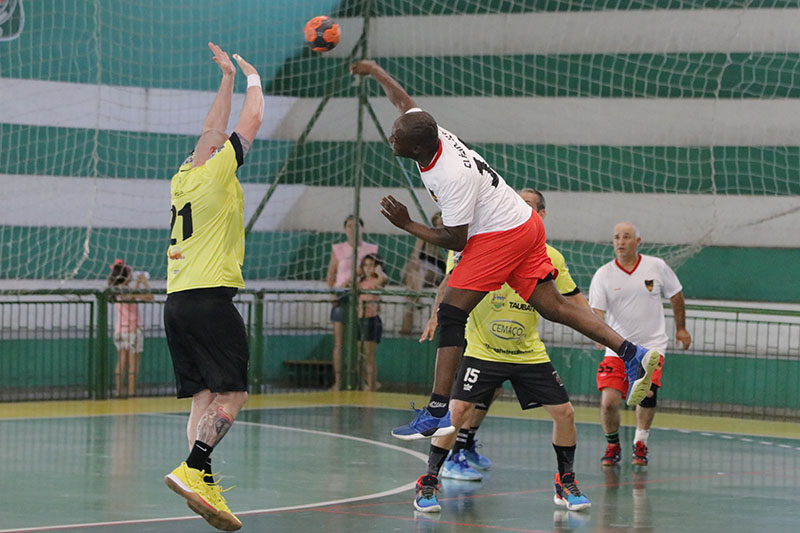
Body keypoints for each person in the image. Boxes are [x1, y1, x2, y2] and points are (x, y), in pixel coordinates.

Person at [350, 58, 661, 441]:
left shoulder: (451, 176)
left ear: (415, 147)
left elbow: (456, 240)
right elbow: (402, 102)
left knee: (451, 313)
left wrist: (407, 223)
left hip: (501, 234)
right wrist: (375, 71)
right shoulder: (429, 131)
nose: (390, 139)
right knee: (554, 306)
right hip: (523, 223)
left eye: (395, 138)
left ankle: (437, 411)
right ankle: (631, 353)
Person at [413, 189, 591, 513]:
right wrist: (437, 314)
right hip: (483, 350)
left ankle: (565, 482)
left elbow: (571, 297)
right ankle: (428, 482)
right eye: (516, 204)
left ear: (541, 215)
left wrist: (597, 328)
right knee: (456, 412)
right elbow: (450, 283)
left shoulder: (550, 257)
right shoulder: (478, 246)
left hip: (528, 353)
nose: (520, 209)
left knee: (565, 413)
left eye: (528, 206)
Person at [162, 42, 263, 532]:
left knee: (203, 396)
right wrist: (252, 79)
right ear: (215, 155)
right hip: (209, 298)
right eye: (219, 145)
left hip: (176, 302)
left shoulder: (183, 176)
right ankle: (195, 465)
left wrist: (224, 79)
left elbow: (210, 130)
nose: (222, 144)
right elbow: (252, 120)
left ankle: (198, 480)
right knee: (233, 394)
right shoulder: (219, 171)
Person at [589, 222, 691, 467]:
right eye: (616, 237)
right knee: (609, 402)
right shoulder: (604, 274)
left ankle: (640, 442)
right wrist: (597, 333)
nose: (621, 242)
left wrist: (681, 328)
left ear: (638, 241)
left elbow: (676, 294)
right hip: (617, 348)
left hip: (651, 347)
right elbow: (597, 311)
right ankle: (612, 445)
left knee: (646, 393)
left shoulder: (656, 266)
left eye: (626, 237)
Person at [325, 215, 379, 391]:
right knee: (339, 342)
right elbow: (331, 275)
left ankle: (362, 381)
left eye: (356, 226)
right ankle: (338, 381)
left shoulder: (371, 249)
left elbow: (376, 273)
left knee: (361, 344)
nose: (353, 229)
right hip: (342, 297)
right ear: (345, 229)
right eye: (349, 226)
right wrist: (334, 293)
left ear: (362, 228)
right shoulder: (338, 249)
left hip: (362, 299)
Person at [107, 259, 153, 398]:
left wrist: (137, 284)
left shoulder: (116, 290)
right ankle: (132, 392)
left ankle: (118, 390)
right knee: (133, 363)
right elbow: (149, 297)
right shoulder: (127, 290)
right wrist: (144, 282)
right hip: (133, 330)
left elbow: (132, 295)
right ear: (125, 276)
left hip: (120, 330)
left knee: (121, 361)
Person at [400, 211, 446, 335]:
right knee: (415, 270)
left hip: (434, 269)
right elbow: (415, 255)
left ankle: (413, 303)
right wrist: (415, 261)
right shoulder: (425, 234)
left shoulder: (450, 236)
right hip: (419, 268)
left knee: (416, 276)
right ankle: (416, 298)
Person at [356, 253, 388, 391]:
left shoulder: (376, 281)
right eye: (365, 265)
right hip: (360, 319)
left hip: (371, 319)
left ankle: (371, 384)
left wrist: (378, 270)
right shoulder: (360, 282)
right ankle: (364, 383)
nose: (368, 268)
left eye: (371, 265)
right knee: (360, 356)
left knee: (369, 356)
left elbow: (383, 279)